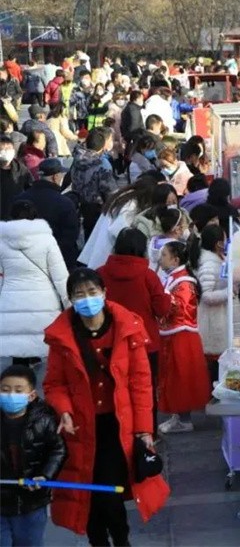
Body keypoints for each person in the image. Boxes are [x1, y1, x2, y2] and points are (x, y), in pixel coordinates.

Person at [43, 268, 170, 544]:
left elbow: (140, 383)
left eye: (92, 292)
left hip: (117, 425)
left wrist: (144, 429)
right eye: (79, 294)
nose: (87, 299)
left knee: (110, 493)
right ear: (70, 300)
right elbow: (54, 384)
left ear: (104, 292)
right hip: (80, 428)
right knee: (88, 495)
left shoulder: (126, 327)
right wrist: (64, 410)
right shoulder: (62, 336)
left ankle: (122, 540)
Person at [0, 201, 69, 397]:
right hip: (43, 302)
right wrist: (69, 303)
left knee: (17, 351)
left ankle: (16, 393)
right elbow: (60, 275)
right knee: (44, 351)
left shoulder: (2, 240)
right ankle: (40, 395)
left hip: (11, 302)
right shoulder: (46, 240)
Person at [0, 363, 67, 547]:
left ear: (31, 395)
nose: (10, 395)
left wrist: (45, 475)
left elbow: (58, 450)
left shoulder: (44, 419)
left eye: (18, 390)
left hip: (31, 502)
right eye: (5, 390)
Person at [155, 241, 209, 434]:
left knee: (181, 377)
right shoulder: (175, 278)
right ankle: (178, 416)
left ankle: (184, 419)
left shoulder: (183, 282)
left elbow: (178, 309)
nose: (160, 260)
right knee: (173, 377)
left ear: (175, 259)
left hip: (181, 336)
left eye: (164, 255)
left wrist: (159, 302)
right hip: (174, 334)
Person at [192, 224, 240, 383]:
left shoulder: (221, 260)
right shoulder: (208, 265)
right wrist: (229, 292)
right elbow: (206, 295)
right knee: (216, 369)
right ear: (219, 244)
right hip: (215, 323)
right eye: (225, 239)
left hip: (223, 319)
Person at [14, 158, 79, 269]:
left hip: (25, 260)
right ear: (55, 177)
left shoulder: (20, 198)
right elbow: (69, 238)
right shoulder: (65, 203)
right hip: (55, 262)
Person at [80, 178, 158, 270]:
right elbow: (119, 229)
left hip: (103, 246)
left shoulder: (123, 196)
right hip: (109, 250)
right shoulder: (130, 205)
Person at [70, 127, 118, 242]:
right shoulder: (102, 164)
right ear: (102, 145)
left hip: (78, 203)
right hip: (96, 208)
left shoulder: (77, 158)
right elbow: (109, 191)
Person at [0, 136, 31, 221]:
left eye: (8, 149)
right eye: (2, 149)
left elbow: (30, 188)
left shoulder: (21, 169)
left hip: (15, 217)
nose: (6, 152)